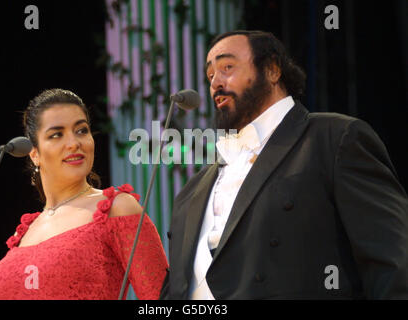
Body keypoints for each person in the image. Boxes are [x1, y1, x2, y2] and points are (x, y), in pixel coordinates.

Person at [160, 30, 408, 299]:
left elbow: (392, 260)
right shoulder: (193, 189)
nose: (215, 83)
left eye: (227, 67)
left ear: (272, 70)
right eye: (210, 76)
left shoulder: (334, 138)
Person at [0, 88, 168, 300]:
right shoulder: (25, 231)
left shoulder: (117, 208)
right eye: (57, 134)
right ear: (35, 154)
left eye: (82, 130)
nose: (74, 143)